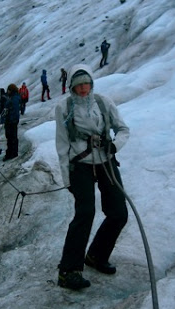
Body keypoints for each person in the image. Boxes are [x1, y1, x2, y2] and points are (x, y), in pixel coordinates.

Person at [55, 64, 129, 290]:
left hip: (105, 160)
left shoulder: (103, 102)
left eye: (86, 83)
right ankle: (68, 270)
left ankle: (96, 255)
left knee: (119, 212)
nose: (83, 88)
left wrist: (114, 145)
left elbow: (123, 129)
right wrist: (67, 178)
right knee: (85, 212)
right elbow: (62, 144)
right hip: (80, 165)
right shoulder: (64, 108)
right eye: (78, 85)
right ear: (72, 86)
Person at [3, 83, 21, 160]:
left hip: (11, 121)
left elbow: (15, 110)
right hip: (10, 120)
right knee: (10, 137)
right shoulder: (13, 97)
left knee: (11, 137)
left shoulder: (14, 98)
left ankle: (12, 153)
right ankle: (11, 152)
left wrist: (11, 120)